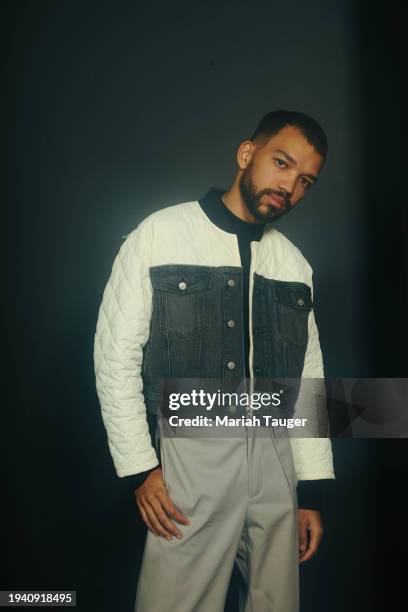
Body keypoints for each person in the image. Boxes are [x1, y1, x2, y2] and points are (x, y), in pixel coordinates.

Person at [93, 109, 335, 612]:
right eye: (281, 163)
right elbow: (114, 356)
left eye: (305, 180)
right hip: (194, 454)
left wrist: (310, 492)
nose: (289, 186)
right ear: (247, 155)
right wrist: (140, 468)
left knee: (276, 603)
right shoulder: (160, 234)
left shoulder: (294, 263)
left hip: (276, 460)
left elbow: (309, 378)